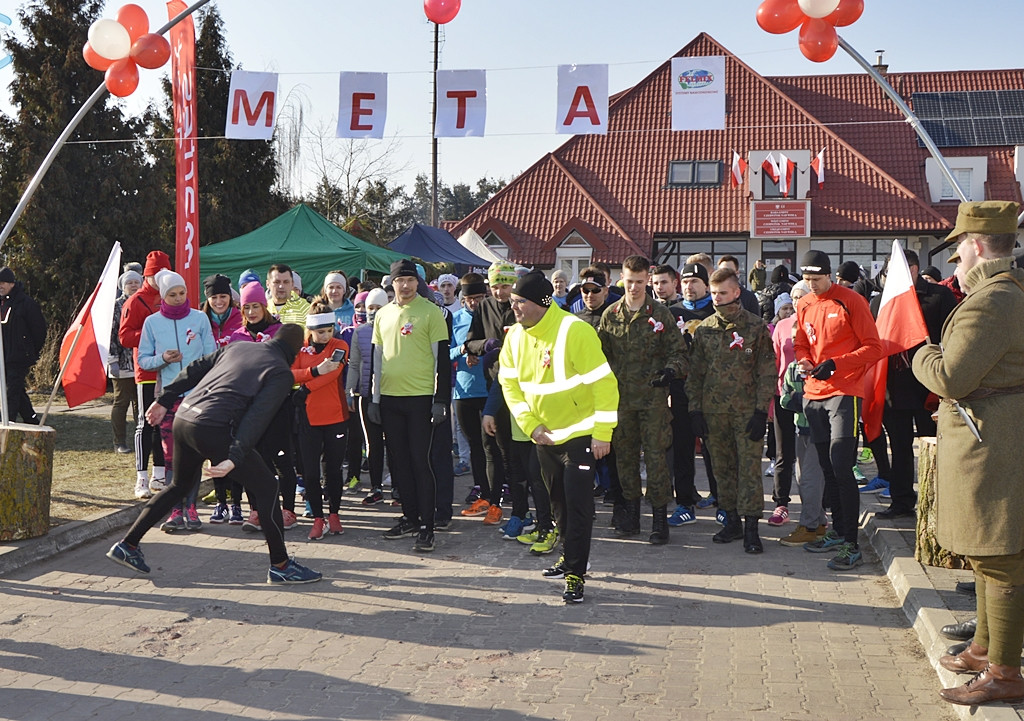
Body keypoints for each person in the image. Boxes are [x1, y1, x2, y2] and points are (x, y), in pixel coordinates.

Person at [912, 200, 1024, 706]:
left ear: (976, 247)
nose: (955, 264)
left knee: (999, 556)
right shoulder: (1001, 294)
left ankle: (1003, 671)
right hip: (992, 436)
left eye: (958, 252)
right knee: (986, 552)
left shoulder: (993, 300)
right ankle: (984, 649)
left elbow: (952, 377)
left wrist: (917, 350)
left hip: (994, 443)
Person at [106, 323, 322, 585]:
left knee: (179, 485)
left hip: (184, 418)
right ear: (296, 351)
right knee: (267, 487)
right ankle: (281, 565)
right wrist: (235, 455)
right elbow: (258, 417)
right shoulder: (281, 373)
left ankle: (127, 545)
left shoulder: (237, 346)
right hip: (213, 427)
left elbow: (195, 368)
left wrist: (165, 398)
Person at [499, 270, 618, 603]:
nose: (515, 308)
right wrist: (531, 425)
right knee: (559, 504)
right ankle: (567, 555)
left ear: (541, 302)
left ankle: (576, 575)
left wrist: (602, 434)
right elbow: (510, 385)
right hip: (544, 437)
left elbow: (605, 385)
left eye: (520, 301)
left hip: (581, 435)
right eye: (512, 301)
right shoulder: (515, 336)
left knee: (578, 506)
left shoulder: (574, 330)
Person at [793, 249, 883, 570]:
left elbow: (874, 347)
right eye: (806, 279)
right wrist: (803, 359)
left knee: (843, 468)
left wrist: (836, 363)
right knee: (828, 467)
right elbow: (801, 341)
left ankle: (851, 544)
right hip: (812, 394)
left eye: (816, 279)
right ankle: (838, 530)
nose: (811, 285)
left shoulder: (851, 301)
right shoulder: (803, 303)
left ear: (829, 275)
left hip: (845, 392)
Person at [686, 268, 776, 553]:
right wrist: (695, 411)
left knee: (749, 470)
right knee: (722, 470)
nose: (717, 299)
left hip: (746, 412)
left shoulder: (756, 327)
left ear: (737, 292)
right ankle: (732, 521)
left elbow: (767, 371)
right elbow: (695, 374)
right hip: (714, 414)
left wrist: (761, 410)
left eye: (722, 293)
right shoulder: (704, 329)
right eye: (713, 293)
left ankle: (752, 528)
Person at [598, 255, 687, 544]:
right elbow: (600, 356)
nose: (634, 287)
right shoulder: (610, 315)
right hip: (621, 401)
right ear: (622, 279)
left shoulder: (660, 314)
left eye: (639, 281)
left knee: (656, 459)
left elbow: (679, 352)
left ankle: (660, 520)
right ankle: (631, 515)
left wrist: (670, 372)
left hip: (653, 401)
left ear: (647, 279)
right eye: (629, 281)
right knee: (624, 460)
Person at [868, 250, 956, 520]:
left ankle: (940, 503)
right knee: (900, 446)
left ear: (915, 269)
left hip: (929, 385)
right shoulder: (881, 301)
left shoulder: (938, 296)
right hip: (895, 387)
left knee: (935, 444)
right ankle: (902, 501)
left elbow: (953, 336)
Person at [370, 259, 451, 552]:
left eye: (410, 280)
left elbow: (442, 359)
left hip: (421, 400)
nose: (405, 286)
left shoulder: (431, 313)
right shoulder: (382, 315)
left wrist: (440, 399)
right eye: (399, 280)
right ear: (391, 284)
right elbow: (377, 361)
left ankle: (428, 526)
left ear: (418, 283)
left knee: (421, 462)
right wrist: (375, 399)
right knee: (399, 463)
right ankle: (409, 517)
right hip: (390, 400)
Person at [137, 269, 217, 532]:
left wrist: (201, 379)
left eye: (182, 293)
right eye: (172, 294)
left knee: (193, 454)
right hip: (168, 397)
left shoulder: (199, 318)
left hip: (197, 396)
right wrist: (163, 359)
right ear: (163, 296)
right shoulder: (152, 323)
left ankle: (191, 508)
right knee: (171, 455)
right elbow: (143, 359)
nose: (178, 298)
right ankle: (174, 510)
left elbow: (212, 355)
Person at [463, 261, 518, 526]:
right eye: (495, 286)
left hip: (522, 386)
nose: (500, 292)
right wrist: (487, 344)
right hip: (492, 384)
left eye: (505, 286)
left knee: (515, 449)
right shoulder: (484, 307)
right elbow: (469, 343)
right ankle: (494, 502)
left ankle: (521, 505)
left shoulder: (522, 305)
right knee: (491, 446)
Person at [666, 263, 720, 524]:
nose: (689, 286)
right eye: (685, 281)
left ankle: (721, 501)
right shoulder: (671, 312)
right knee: (682, 449)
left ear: (706, 285)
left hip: (711, 393)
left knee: (714, 449)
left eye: (695, 281)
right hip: (680, 391)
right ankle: (684, 503)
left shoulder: (716, 311)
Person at [292, 306, 349, 540]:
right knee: (310, 472)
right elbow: (290, 373)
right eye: (319, 332)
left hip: (335, 416)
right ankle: (318, 518)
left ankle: (334, 514)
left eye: (328, 330)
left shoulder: (340, 345)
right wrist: (314, 370)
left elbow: (333, 373)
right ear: (310, 330)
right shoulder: (301, 347)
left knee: (333, 469)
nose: (324, 336)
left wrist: (306, 386)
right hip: (308, 418)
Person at [119, 250, 170, 496]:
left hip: (170, 369)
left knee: (165, 422)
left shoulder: (173, 295)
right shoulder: (135, 301)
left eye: (164, 273)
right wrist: (152, 333)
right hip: (147, 369)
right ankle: (141, 478)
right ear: (146, 276)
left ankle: (160, 475)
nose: (160, 278)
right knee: (145, 422)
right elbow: (125, 336)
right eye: (155, 274)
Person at [452, 274, 497, 523]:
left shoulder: (491, 316)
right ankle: (481, 487)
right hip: (465, 390)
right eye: (469, 299)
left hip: (490, 388)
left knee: (494, 444)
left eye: (478, 298)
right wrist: (463, 350)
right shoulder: (456, 320)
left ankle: (498, 488)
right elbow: (443, 353)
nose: (473, 304)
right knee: (475, 444)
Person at [347, 288, 390, 505]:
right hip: (365, 395)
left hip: (392, 395)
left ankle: (400, 486)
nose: (373, 312)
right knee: (373, 444)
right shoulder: (360, 332)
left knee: (394, 443)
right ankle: (376, 487)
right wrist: (349, 391)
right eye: (369, 307)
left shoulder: (394, 330)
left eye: (378, 307)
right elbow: (354, 364)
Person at [0, 266, 46, 425]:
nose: (1, 286)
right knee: (16, 389)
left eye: (4, 282)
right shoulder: (1, 303)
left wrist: (30, 350)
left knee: (11, 390)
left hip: (19, 356)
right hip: (3, 356)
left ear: (12, 284)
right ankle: (31, 419)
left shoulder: (26, 303)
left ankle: (8, 421)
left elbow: (39, 329)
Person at [109, 269, 141, 458]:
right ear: (123, 286)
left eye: (137, 282)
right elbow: (112, 334)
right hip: (121, 363)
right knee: (121, 402)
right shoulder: (116, 306)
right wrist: (112, 359)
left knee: (141, 404)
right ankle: (119, 441)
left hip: (142, 362)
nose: (133, 285)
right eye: (130, 283)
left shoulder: (145, 303)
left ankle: (141, 439)